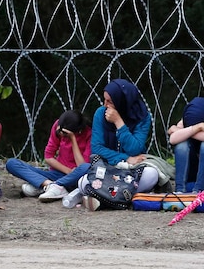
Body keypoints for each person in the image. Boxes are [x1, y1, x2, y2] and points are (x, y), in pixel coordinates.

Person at [39, 79, 161, 211]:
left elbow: (135, 149)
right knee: (83, 180)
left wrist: (119, 123)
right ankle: (119, 197)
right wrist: (124, 158)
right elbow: (97, 148)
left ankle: (101, 197)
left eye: (110, 102)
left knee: (151, 174)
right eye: (104, 100)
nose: (105, 105)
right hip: (106, 167)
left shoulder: (142, 117)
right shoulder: (100, 114)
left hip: (131, 170)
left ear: (122, 102)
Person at [5, 110, 92, 197]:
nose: (63, 136)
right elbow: (48, 157)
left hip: (74, 178)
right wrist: (68, 171)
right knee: (12, 163)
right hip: (56, 174)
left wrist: (72, 139)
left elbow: (82, 166)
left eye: (65, 134)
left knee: (86, 168)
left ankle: (42, 186)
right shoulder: (58, 125)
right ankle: (50, 186)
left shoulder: (88, 133)